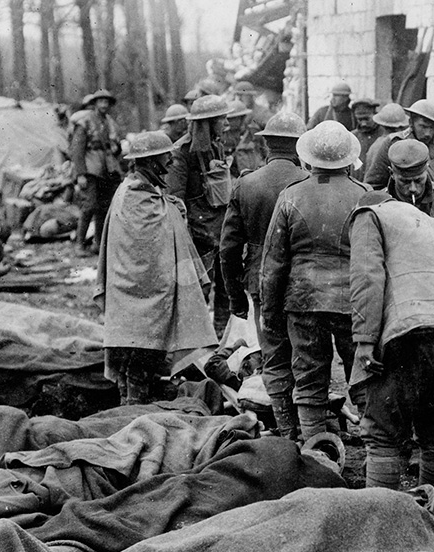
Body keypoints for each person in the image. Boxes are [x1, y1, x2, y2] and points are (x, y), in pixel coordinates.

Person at [349, 189, 434, 510]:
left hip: (408, 334)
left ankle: (381, 526)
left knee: (382, 438)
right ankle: (430, 524)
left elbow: (367, 277)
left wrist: (365, 340)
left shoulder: (370, 216)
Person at [260, 121, 369, 440]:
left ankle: (314, 450)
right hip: (354, 303)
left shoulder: (291, 196)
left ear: (310, 158)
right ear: (348, 159)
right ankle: (376, 449)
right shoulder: (364, 196)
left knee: (308, 376)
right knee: (362, 373)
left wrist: (270, 312)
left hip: (304, 302)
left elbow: (274, 263)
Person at [95, 131, 217, 406]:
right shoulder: (135, 196)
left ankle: (129, 405)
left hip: (135, 295)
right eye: (165, 157)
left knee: (136, 362)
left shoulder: (140, 192)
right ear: (150, 162)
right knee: (140, 357)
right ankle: (131, 410)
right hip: (142, 296)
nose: (170, 162)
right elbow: (149, 245)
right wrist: (173, 210)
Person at [220, 112, 310, 440]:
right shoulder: (309, 183)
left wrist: (234, 299)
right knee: (307, 354)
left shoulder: (246, 184)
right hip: (304, 283)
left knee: (273, 353)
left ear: (266, 146)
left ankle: (286, 430)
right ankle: (310, 425)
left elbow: (228, 250)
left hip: (259, 280)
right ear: (300, 145)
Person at [167, 94, 233, 335]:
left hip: (220, 226)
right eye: (221, 119)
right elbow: (175, 197)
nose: (226, 123)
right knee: (198, 288)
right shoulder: (181, 153)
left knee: (226, 285)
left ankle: (221, 334)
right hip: (197, 230)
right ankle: (196, 340)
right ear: (207, 122)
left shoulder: (217, 145)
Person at [364, 99, 434, 200]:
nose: (428, 133)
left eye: (432, 127)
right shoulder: (394, 143)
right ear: (411, 122)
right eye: (423, 126)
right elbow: (374, 184)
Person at [69, 88, 123, 252]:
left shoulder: (110, 123)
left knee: (104, 208)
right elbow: (77, 150)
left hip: (107, 168)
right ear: (94, 104)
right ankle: (79, 244)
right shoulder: (84, 122)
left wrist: (116, 147)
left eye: (106, 102)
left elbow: (117, 147)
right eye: (101, 101)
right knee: (89, 206)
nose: (104, 105)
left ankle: (98, 244)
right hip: (90, 168)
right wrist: (80, 174)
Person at [382, 139, 434, 230]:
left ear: (427, 171)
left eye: (418, 180)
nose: (413, 188)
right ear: (391, 173)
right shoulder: (380, 203)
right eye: (405, 182)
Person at [349, 98, 382, 178]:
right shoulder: (352, 136)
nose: (363, 124)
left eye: (367, 119)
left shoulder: (383, 134)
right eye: (360, 120)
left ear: (375, 115)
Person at [223, 99, 252, 177]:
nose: (229, 122)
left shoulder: (251, 133)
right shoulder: (223, 136)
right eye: (228, 119)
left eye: (233, 119)